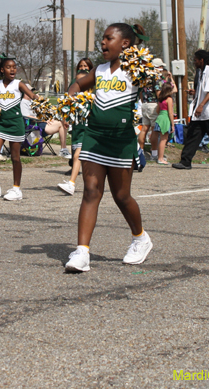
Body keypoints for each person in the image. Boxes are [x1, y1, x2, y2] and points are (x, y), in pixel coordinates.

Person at [63, 23, 152, 272]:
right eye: (101, 38)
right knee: (91, 191)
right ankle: (82, 252)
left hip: (121, 140)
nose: (102, 43)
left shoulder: (135, 70)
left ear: (124, 43)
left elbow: (155, 84)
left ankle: (140, 238)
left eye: (108, 38)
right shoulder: (100, 70)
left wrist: (138, 48)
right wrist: (73, 97)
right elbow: (78, 84)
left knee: (121, 196)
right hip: (94, 137)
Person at [0, 55, 38, 201]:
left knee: (15, 158)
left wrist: (42, 103)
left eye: (14, 67)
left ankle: (16, 189)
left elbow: (32, 95)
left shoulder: (19, 84)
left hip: (15, 124)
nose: (12, 69)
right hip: (1, 124)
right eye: (9, 67)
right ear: (2, 70)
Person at [58, 60, 95, 195]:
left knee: (78, 156)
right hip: (78, 131)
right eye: (77, 83)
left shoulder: (93, 98)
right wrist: (65, 119)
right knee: (79, 158)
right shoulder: (74, 98)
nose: (80, 85)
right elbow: (67, 111)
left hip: (90, 131)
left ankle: (71, 183)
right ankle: (87, 186)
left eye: (83, 82)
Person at [21, 90, 70, 159]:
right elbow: (26, 116)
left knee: (63, 122)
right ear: (25, 93)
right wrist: (43, 119)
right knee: (61, 124)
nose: (32, 93)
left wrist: (48, 118)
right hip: (34, 127)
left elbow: (43, 112)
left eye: (32, 91)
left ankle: (63, 149)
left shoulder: (32, 102)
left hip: (41, 123)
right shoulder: (23, 102)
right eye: (30, 91)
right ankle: (63, 149)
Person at [150, 82, 175, 164]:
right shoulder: (169, 99)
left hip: (160, 117)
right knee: (164, 139)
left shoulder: (161, 99)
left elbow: (157, 110)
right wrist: (173, 124)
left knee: (161, 138)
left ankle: (159, 157)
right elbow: (170, 113)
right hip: (165, 118)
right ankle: (160, 158)